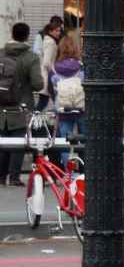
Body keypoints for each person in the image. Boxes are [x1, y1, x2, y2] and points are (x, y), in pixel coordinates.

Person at [0, 23, 44, 186]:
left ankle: (0, 176)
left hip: (1, 105)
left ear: (12, 33)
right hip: (21, 106)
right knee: (18, 141)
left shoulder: (1, 53)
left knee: (3, 140)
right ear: (27, 36)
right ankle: (14, 177)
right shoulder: (30, 57)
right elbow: (38, 84)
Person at [50, 30, 84, 167]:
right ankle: (85, 170)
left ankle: (69, 172)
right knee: (85, 138)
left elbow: (51, 89)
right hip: (81, 107)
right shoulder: (81, 67)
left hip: (63, 108)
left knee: (64, 141)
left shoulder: (54, 69)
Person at [37, 16, 62, 110]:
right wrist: (54, 72)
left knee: (43, 102)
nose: (59, 33)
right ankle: (35, 122)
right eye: (56, 31)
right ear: (50, 31)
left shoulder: (48, 40)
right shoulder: (51, 42)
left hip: (46, 76)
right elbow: (47, 62)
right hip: (48, 77)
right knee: (56, 102)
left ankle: (35, 122)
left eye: (59, 31)